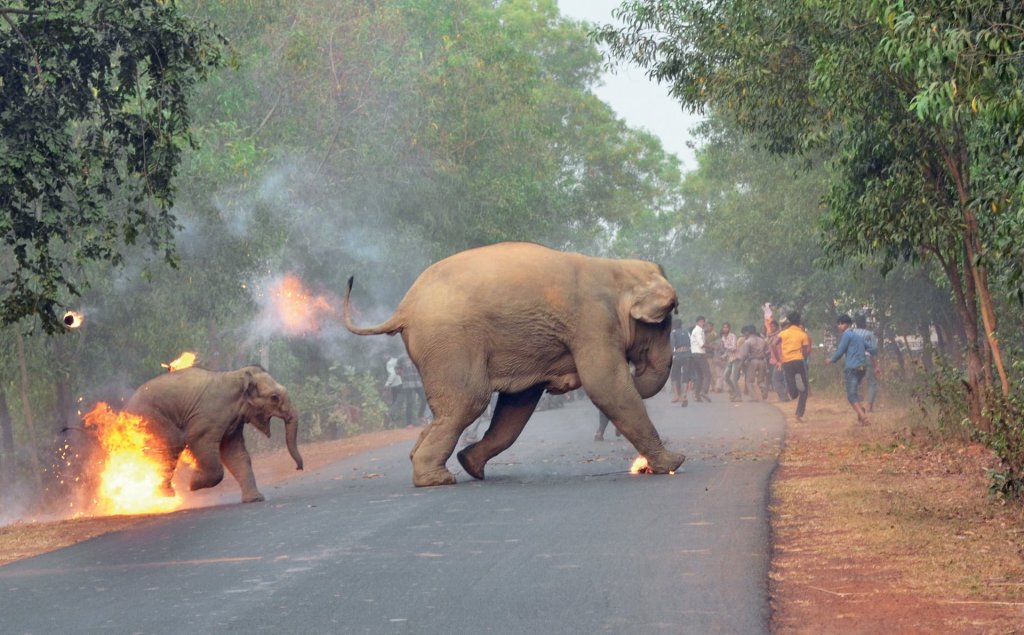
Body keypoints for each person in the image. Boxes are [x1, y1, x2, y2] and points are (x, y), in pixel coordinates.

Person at [827, 314, 877, 425]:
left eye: (841, 324)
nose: (839, 326)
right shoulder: (858, 336)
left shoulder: (847, 335)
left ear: (846, 324)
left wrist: (831, 360)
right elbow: (872, 349)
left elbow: (840, 351)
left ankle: (864, 417)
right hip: (862, 368)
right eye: (839, 324)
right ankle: (861, 414)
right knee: (855, 392)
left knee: (851, 395)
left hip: (852, 368)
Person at [778, 311, 812, 421]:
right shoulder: (803, 334)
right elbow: (806, 349)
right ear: (799, 321)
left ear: (788, 321)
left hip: (786, 362)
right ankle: (798, 414)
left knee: (792, 387)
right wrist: (804, 357)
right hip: (799, 361)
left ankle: (793, 393)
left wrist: (779, 358)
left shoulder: (783, 333)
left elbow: (773, 343)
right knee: (805, 390)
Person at [853, 315, 880, 412]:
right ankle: (869, 406)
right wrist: (876, 366)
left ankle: (857, 404)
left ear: (856, 323)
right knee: (872, 383)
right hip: (867, 359)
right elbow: (873, 352)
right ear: (865, 323)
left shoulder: (851, 333)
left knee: (856, 381)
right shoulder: (870, 334)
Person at [737, 325, 769, 400]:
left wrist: (740, 365)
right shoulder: (762, 340)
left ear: (748, 332)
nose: (744, 334)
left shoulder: (748, 341)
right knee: (761, 380)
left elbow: (744, 355)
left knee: (749, 381)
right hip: (762, 361)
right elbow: (767, 351)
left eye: (745, 332)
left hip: (753, 361)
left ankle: (754, 397)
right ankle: (764, 388)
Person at [670, 318, 693, 406]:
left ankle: (676, 395)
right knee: (685, 375)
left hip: (678, 355)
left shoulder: (673, 332)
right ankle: (684, 395)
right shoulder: (686, 332)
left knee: (674, 375)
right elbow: (690, 343)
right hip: (687, 354)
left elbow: (672, 345)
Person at [767, 319, 789, 401]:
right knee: (781, 379)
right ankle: (783, 396)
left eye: (773, 326)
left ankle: (784, 396)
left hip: (780, 360)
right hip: (776, 359)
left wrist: (778, 360)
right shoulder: (771, 335)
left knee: (776, 379)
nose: (772, 328)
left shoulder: (779, 335)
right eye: (771, 326)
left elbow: (774, 346)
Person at [690, 316, 711, 402]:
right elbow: (702, 344)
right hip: (699, 354)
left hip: (694, 355)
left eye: (703, 321)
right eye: (701, 322)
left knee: (699, 376)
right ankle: (704, 391)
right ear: (697, 322)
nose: (703, 323)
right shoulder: (698, 331)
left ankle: (696, 394)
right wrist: (713, 347)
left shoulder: (698, 331)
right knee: (707, 374)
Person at [719, 323, 741, 401]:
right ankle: (734, 392)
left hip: (736, 358)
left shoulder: (733, 336)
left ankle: (738, 396)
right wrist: (723, 356)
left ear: (729, 328)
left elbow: (734, 348)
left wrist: (726, 348)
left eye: (726, 327)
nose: (725, 329)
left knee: (733, 378)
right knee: (725, 377)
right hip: (730, 359)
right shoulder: (723, 338)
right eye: (724, 327)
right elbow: (727, 351)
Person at [384, 353, 403, 422]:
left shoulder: (389, 363)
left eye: (385, 355)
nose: (384, 357)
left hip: (395, 385)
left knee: (396, 401)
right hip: (400, 384)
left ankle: (390, 414)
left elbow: (392, 374)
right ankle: (392, 417)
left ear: (388, 354)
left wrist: (387, 384)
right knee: (397, 401)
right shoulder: (397, 360)